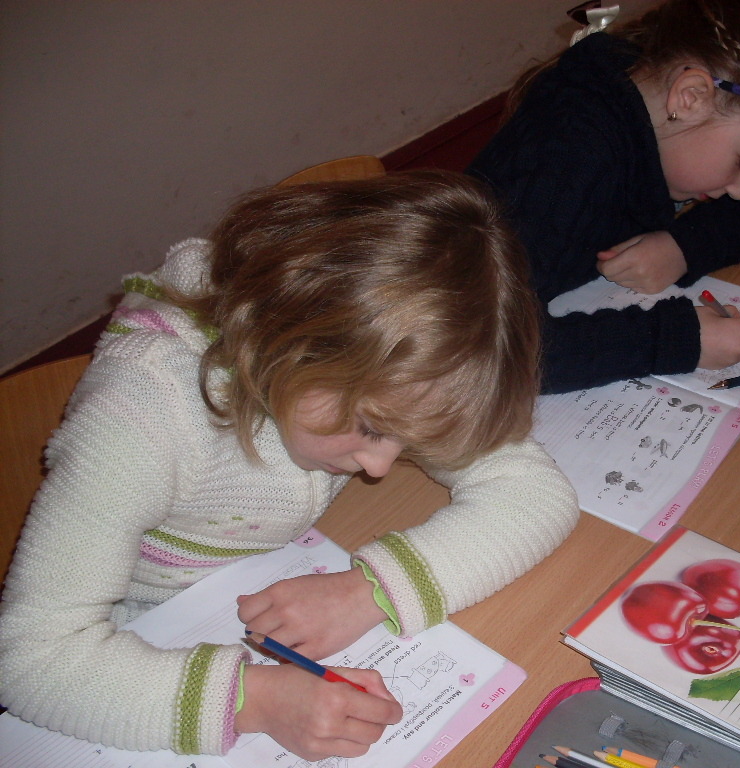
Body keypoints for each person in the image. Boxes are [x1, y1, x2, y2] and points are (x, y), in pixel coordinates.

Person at [0, 172, 579, 761]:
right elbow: (28, 658)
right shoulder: (139, 422)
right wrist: (255, 702)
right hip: (136, 637)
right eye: (373, 429)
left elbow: (535, 494)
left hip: (260, 578)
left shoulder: (371, 364)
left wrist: (365, 593)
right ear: (292, 347)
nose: (379, 467)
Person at [467, 0, 740, 394]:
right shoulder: (563, 163)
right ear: (691, 97)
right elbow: (479, 348)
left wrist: (683, 247)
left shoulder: (649, 93)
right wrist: (676, 339)